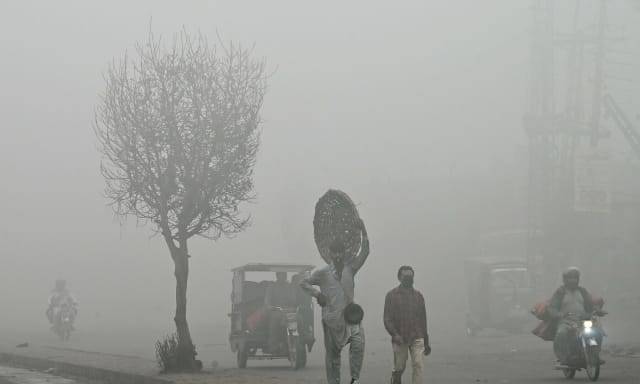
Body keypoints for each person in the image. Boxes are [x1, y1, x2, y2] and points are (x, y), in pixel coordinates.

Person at [300, 219, 369, 384]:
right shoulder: (323, 273)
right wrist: (317, 294)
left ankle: (354, 379)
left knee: (358, 345)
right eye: (334, 252)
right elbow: (303, 283)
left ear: (344, 253)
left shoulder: (351, 269)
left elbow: (365, 252)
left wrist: (364, 230)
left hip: (351, 316)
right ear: (330, 253)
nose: (337, 255)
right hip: (331, 319)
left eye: (340, 252)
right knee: (332, 357)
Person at [384, 266, 430, 384]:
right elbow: (387, 318)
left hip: (417, 336)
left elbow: (423, 319)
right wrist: (394, 334)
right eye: (406, 277)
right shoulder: (391, 295)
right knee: (400, 367)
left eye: (411, 277)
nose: (409, 279)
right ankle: (395, 378)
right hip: (400, 337)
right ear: (399, 278)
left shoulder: (418, 296)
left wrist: (426, 341)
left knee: (418, 364)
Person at [548, 267, 595, 364]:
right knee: (561, 334)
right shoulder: (560, 292)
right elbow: (552, 308)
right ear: (565, 279)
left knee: (596, 333)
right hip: (565, 322)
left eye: (575, 278)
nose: (573, 280)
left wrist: (596, 311)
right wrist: (559, 314)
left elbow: (591, 305)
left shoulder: (583, 291)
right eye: (570, 278)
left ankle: (595, 354)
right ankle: (564, 357)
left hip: (583, 321)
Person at [265, 272, 296, 352]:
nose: (283, 277)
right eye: (281, 275)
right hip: (275, 310)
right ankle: (273, 345)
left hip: (288, 310)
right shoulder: (271, 286)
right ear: (277, 276)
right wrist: (269, 306)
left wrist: (293, 304)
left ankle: (296, 340)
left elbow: (293, 299)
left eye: (284, 275)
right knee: (274, 322)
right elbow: (267, 301)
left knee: (297, 320)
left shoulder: (289, 286)